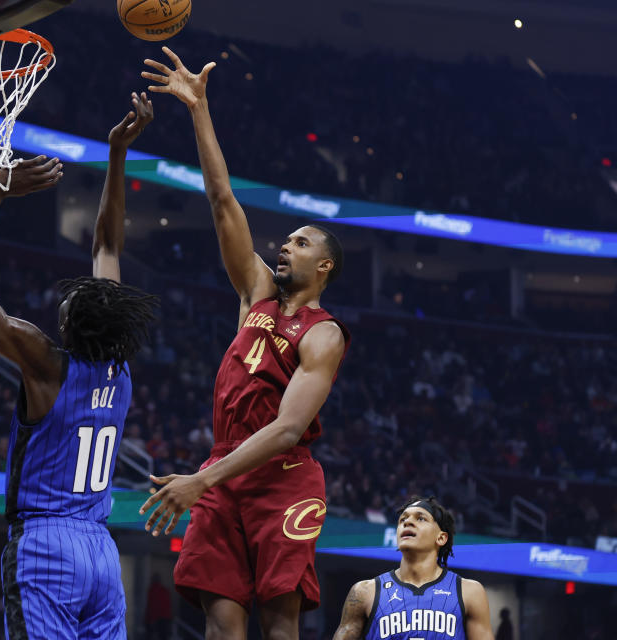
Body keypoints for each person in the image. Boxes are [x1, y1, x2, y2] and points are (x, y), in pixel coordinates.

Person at [138, 47, 350, 639]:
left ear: (326, 264)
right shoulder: (255, 293)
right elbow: (221, 199)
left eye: (300, 243)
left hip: (283, 474)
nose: (285, 246)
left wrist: (202, 480)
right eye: (285, 240)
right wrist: (198, 109)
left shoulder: (325, 333)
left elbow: (286, 429)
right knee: (221, 620)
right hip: (223, 467)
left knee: (279, 624)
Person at [0, 93, 157, 640]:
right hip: (102, 552)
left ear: (70, 324)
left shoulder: (45, 361)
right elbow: (106, 244)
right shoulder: (118, 367)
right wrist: (117, 155)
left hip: (48, 546)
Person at [331, 497, 494, 640]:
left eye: (421, 518)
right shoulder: (365, 592)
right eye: (402, 520)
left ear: (441, 537)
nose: (407, 522)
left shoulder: (469, 592)